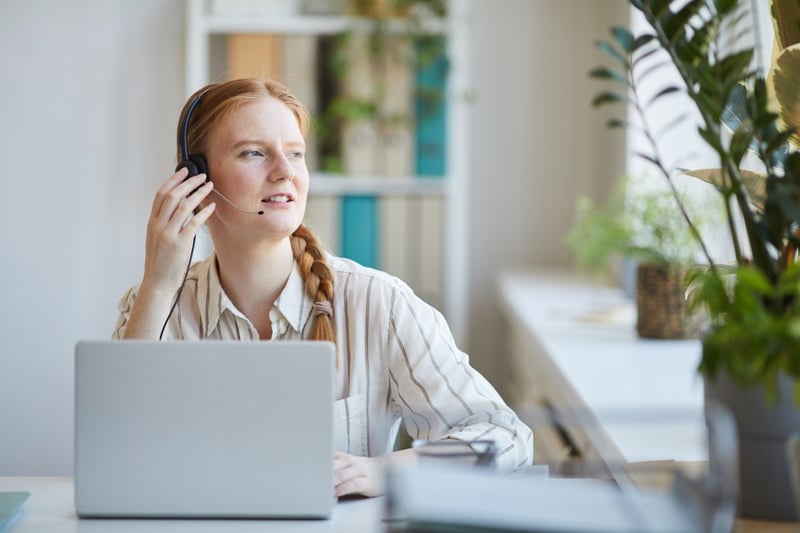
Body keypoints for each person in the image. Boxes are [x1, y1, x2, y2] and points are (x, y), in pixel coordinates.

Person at [113, 78, 533, 497]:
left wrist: (385, 472)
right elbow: (116, 455)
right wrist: (158, 283)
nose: (284, 172)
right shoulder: (153, 304)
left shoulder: (378, 304)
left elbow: (505, 436)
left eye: (295, 154)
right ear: (195, 179)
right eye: (254, 153)